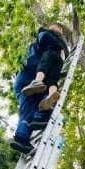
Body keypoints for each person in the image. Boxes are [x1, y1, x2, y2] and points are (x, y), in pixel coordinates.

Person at [10, 22, 70, 154]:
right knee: (49, 83)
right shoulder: (45, 36)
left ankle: (23, 137)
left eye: (60, 30)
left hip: (29, 84)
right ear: (50, 28)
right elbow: (46, 39)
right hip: (29, 77)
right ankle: (42, 114)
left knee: (29, 109)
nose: (58, 31)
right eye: (56, 29)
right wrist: (63, 49)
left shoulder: (48, 46)